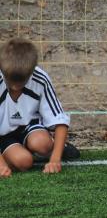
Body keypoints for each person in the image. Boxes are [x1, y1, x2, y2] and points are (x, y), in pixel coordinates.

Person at [0, 38, 75, 177]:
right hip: (3, 136)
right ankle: (13, 154)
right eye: (10, 80)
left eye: (21, 81)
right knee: (23, 162)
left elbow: (60, 120)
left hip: (28, 128)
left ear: (31, 72)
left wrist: (55, 160)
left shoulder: (40, 79)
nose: (15, 86)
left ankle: (55, 147)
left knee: (42, 143)